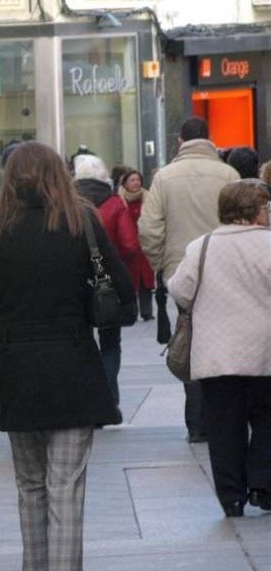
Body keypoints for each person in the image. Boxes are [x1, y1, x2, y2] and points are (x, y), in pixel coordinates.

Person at [0, 141, 133, 571]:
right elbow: (120, 293)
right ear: (58, 174)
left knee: (31, 493)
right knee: (67, 494)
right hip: (72, 367)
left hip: (17, 372)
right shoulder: (80, 224)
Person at [167, 179, 271, 517]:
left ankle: (232, 496)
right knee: (267, 418)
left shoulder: (203, 246)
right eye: (266, 207)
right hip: (264, 351)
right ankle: (263, 484)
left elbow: (181, 289)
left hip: (216, 353)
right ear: (255, 211)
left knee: (224, 427)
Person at [138, 116, 239, 444]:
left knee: (188, 343)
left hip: (180, 273)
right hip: (225, 270)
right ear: (209, 139)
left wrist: (162, 265)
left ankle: (196, 423)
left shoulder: (164, 178)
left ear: (180, 141)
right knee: (223, 344)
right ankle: (222, 417)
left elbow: (149, 228)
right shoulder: (228, 174)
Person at [73, 154, 139, 407]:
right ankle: (109, 398)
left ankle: (88, 398)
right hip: (108, 283)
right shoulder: (115, 204)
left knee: (83, 342)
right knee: (111, 343)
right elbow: (130, 245)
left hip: (77, 283)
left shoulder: (68, 205)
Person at [117, 168, 155, 320]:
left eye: (138, 180)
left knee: (145, 280)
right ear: (125, 183)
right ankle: (131, 311)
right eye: (132, 180)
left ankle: (147, 312)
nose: (136, 183)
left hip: (144, 245)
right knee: (129, 280)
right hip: (127, 246)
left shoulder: (148, 198)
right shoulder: (119, 200)